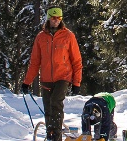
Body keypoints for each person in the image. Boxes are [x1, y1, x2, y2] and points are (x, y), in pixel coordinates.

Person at [22, 7, 83, 141]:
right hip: (46, 78)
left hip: (63, 77)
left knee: (56, 103)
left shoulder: (68, 35)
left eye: (59, 18)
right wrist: (27, 82)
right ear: (48, 18)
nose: (56, 21)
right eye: (53, 18)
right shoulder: (41, 37)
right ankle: (51, 134)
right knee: (48, 107)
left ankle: (55, 136)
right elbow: (35, 61)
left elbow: (77, 60)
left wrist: (76, 82)